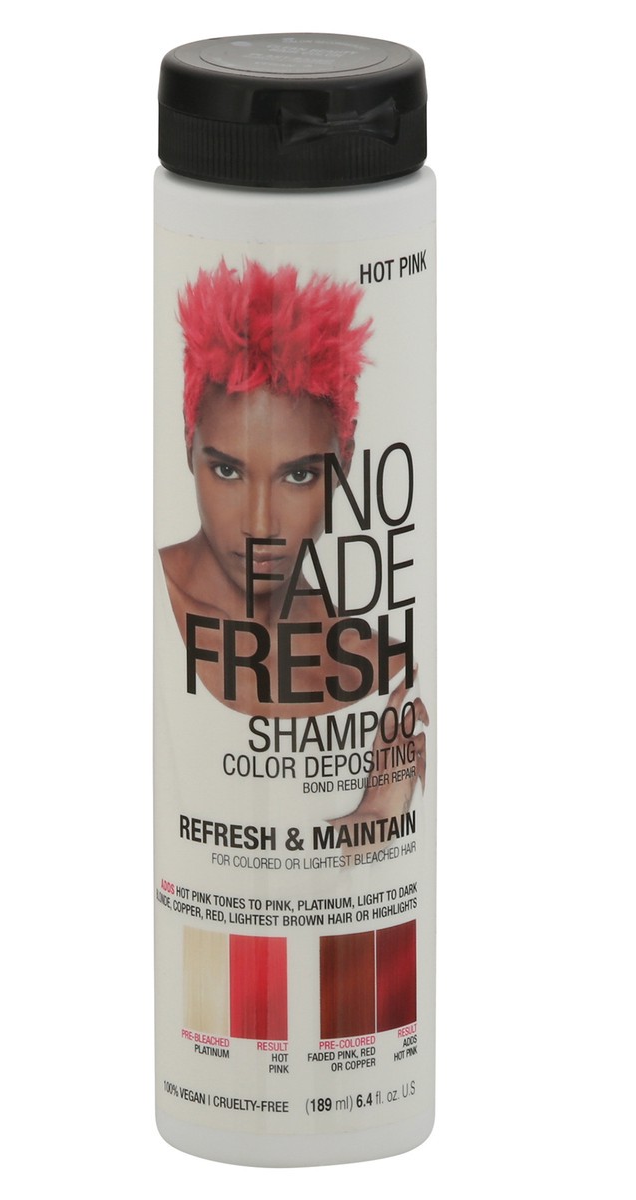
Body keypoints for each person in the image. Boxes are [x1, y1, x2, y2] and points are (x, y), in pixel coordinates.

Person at [159, 259, 426, 818]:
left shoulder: (385, 670)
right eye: (227, 471)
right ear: (188, 442)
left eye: (299, 475)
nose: (260, 526)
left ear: (344, 462)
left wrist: (383, 813)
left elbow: (357, 868)